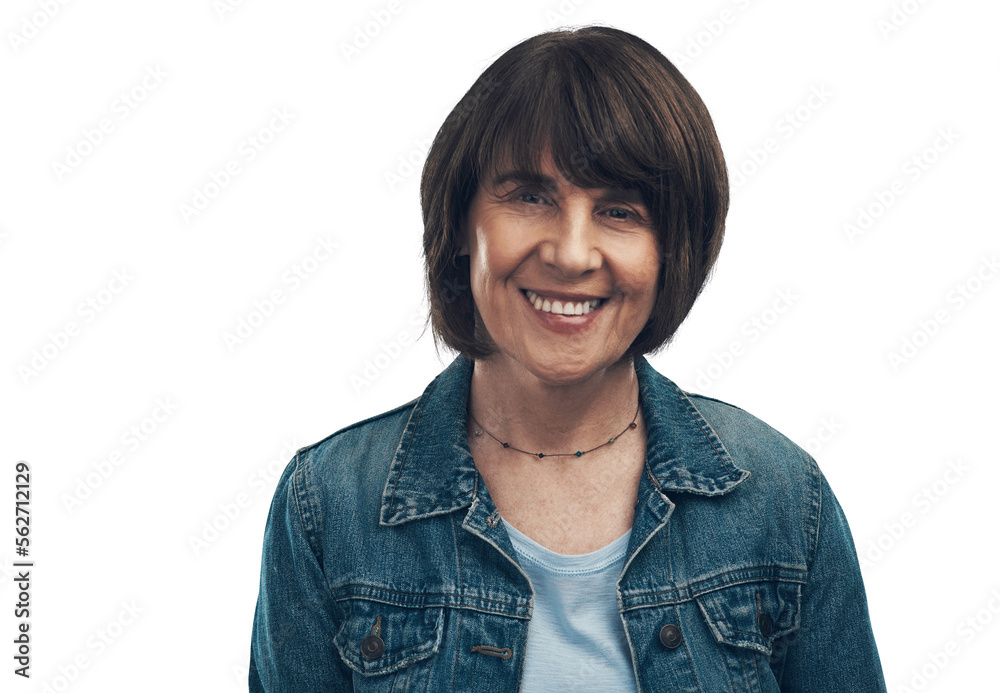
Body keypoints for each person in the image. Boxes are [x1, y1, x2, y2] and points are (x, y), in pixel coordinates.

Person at [249, 25, 887, 692]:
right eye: (530, 197)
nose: (571, 252)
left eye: (619, 210)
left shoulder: (783, 498)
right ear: (463, 226)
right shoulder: (328, 504)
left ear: (672, 250)